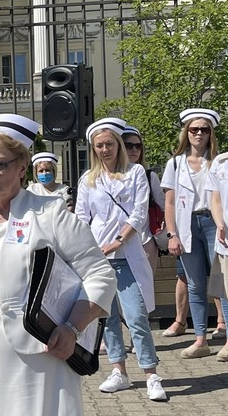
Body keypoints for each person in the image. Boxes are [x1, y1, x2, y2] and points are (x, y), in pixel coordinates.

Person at [0, 113, 116, 415]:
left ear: (22, 166)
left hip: (39, 357)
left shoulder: (50, 214)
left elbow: (100, 275)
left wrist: (72, 328)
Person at [75, 117, 167, 401]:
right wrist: (86, 249)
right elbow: (81, 217)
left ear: (118, 145)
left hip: (127, 254)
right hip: (98, 257)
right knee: (107, 317)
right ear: (94, 148)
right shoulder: (88, 179)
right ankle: (119, 371)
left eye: (109, 144)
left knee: (137, 316)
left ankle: (151, 374)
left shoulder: (135, 172)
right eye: (99, 145)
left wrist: (119, 240)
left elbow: (139, 213)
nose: (105, 149)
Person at [161, 108, 228, 357]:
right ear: (186, 133)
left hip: (215, 223)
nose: (199, 134)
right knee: (195, 285)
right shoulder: (175, 163)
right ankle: (201, 340)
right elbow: (169, 203)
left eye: (204, 130)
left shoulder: (220, 161)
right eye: (194, 129)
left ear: (211, 134)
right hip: (186, 224)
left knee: (224, 283)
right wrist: (172, 234)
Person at [121, 126, 165, 273]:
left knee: (146, 283)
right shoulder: (109, 177)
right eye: (129, 146)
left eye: (138, 146)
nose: (134, 150)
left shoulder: (150, 176)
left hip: (144, 240)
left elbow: (163, 205)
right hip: (116, 240)